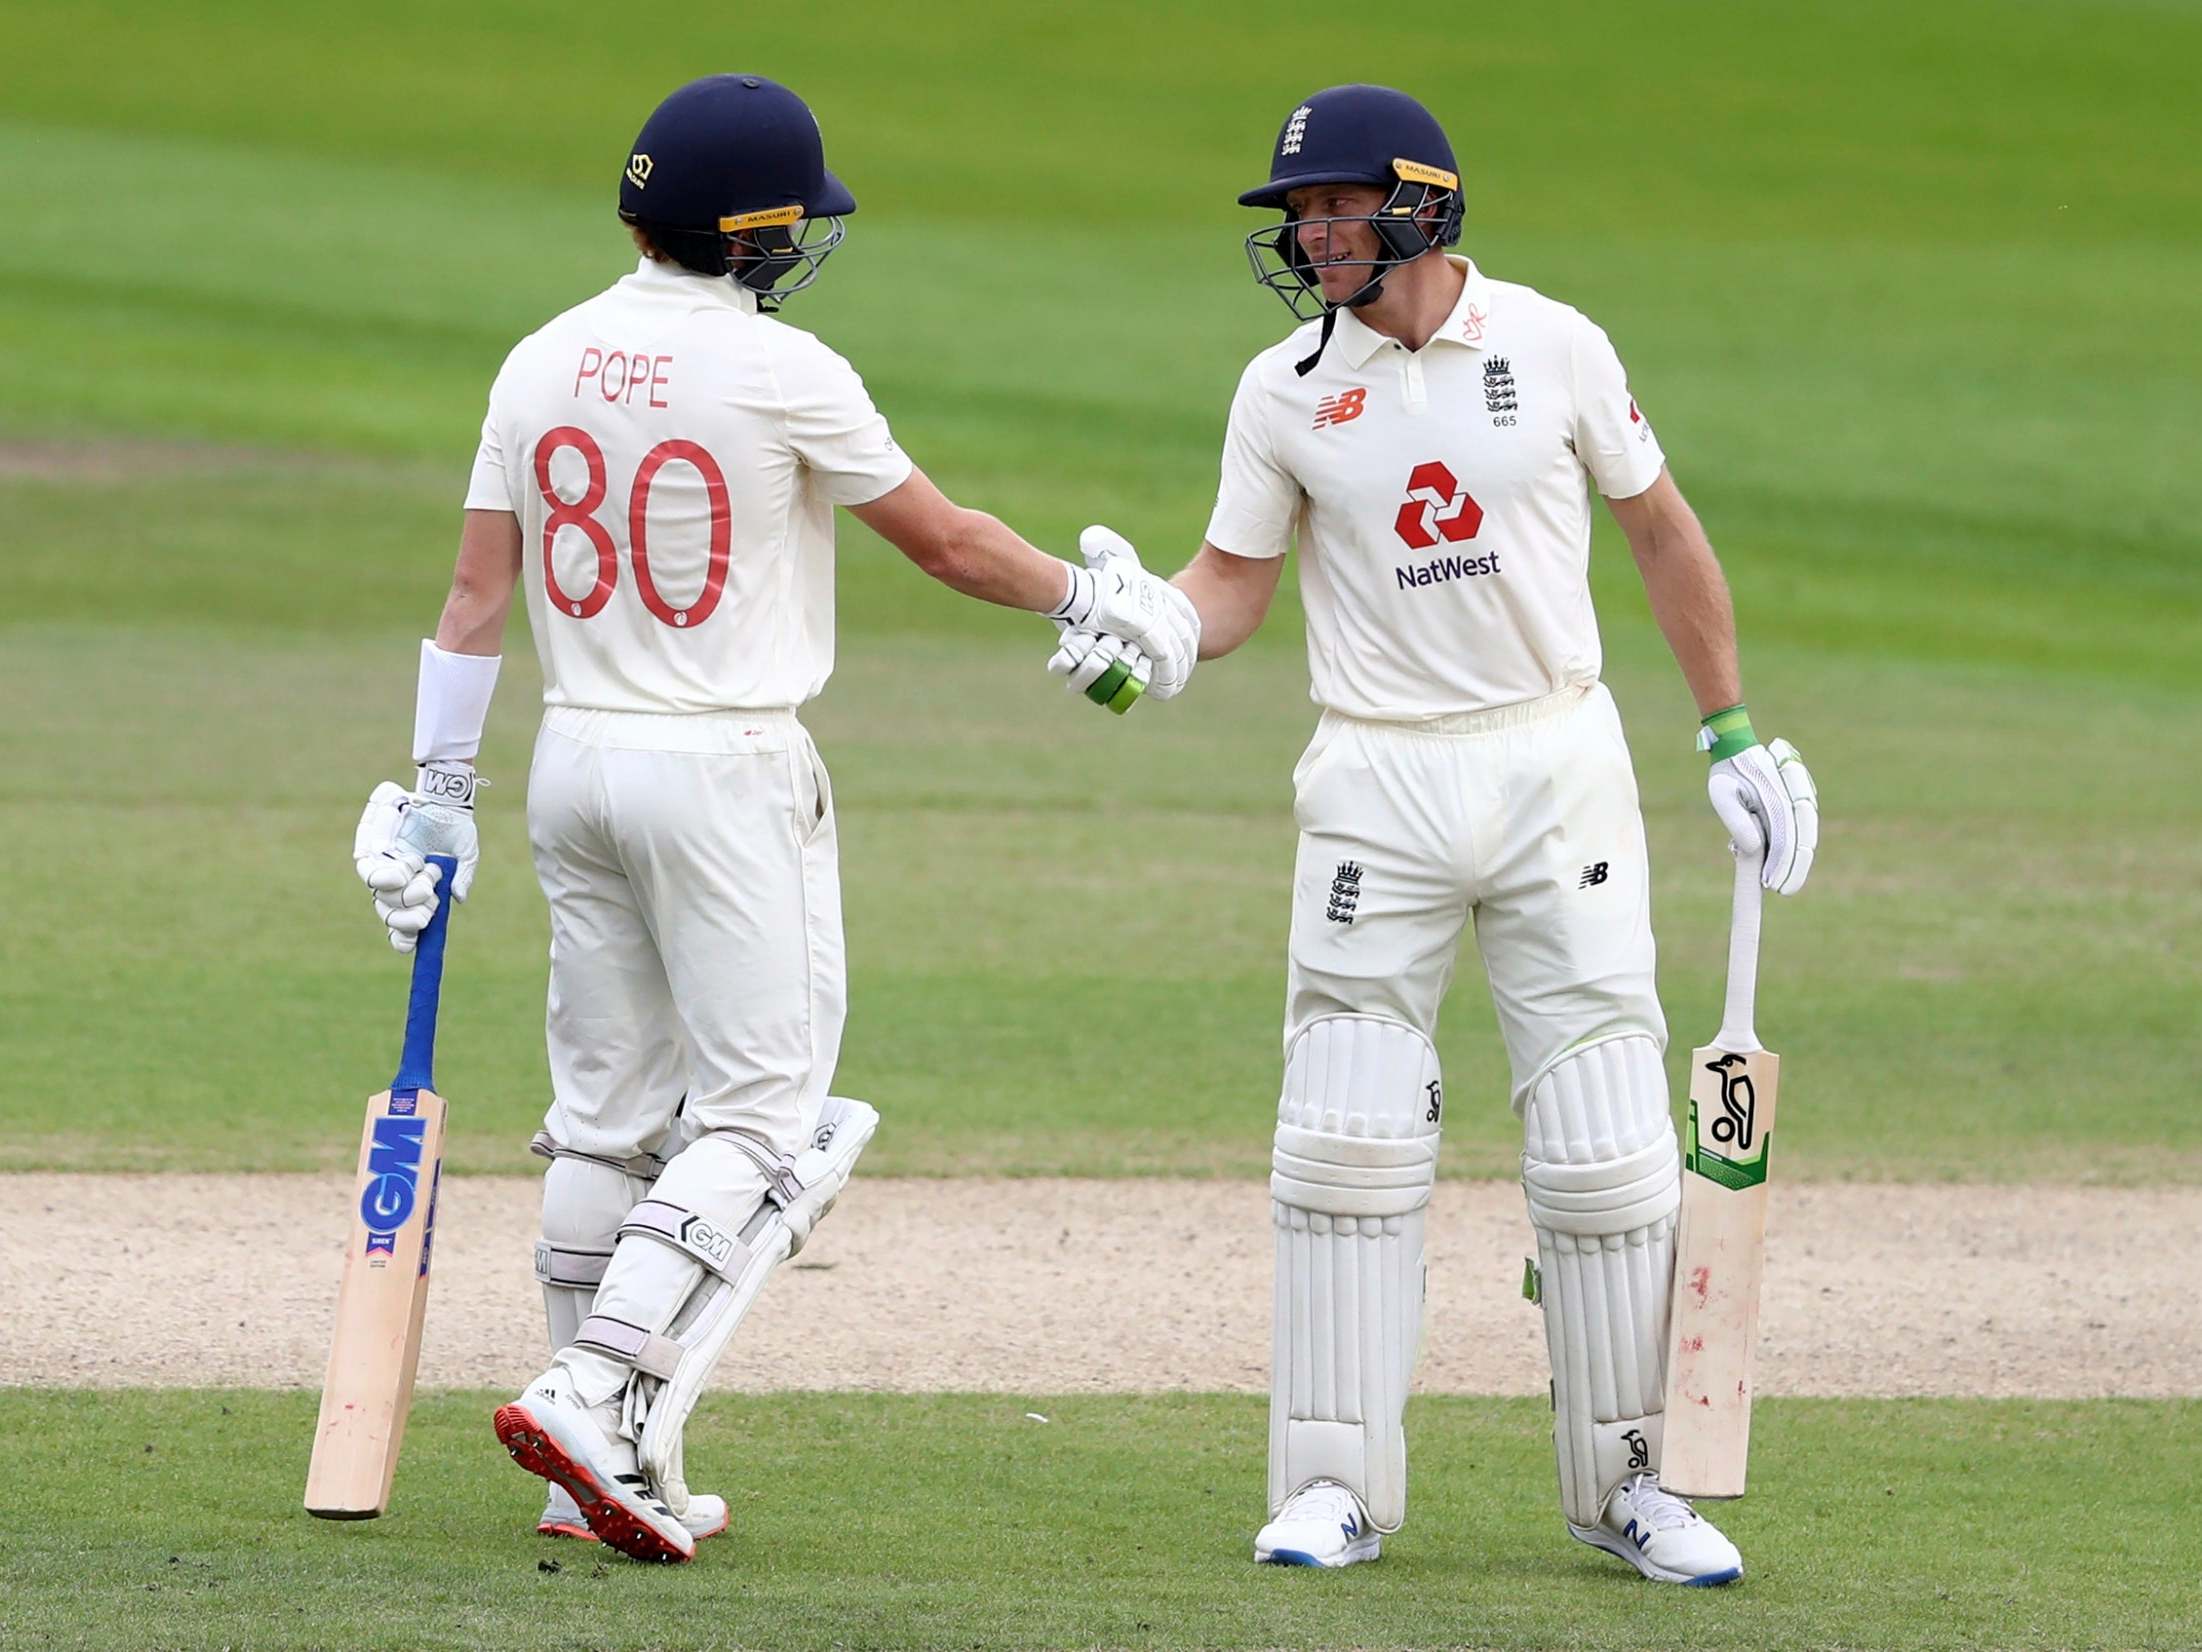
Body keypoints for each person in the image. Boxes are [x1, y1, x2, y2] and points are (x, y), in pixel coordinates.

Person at [349, 72, 1198, 1564]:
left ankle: (582, 1471)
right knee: (764, 1111)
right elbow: (942, 543)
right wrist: (1092, 598)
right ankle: (594, 1390)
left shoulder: (536, 360)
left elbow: (475, 602)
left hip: (572, 760)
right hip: (724, 766)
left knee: (606, 1111)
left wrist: (435, 801)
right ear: (746, 236)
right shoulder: (784, 370)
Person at [1052, 83, 1817, 1584]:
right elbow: (1230, 582)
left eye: (1336, 208)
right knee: (1341, 1133)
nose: (1312, 236)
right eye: (1298, 217)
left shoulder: (1554, 342)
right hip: (1373, 779)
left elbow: (1659, 528)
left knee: (1602, 1144)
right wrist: (1151, 628)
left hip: (1554, 764)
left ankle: (1636, 1491)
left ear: (1422, 205)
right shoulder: (1280, 390)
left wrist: (1727, 726)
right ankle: (1331, 1485)